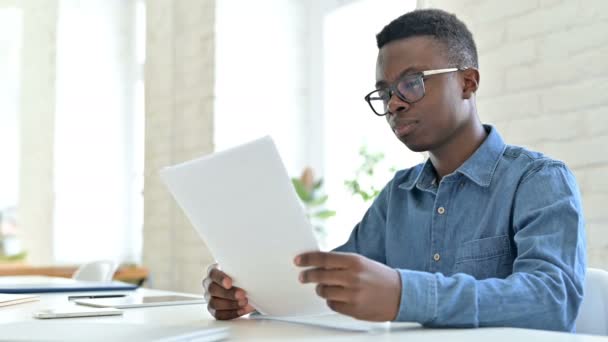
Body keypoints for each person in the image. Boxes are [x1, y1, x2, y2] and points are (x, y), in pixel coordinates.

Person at [202, 9, 586, 332]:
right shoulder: (398, 194)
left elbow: (553, 299)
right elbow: (327, 287)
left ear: (468, 83)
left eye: (412, 84)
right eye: (385, 92)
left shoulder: (537, 180)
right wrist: (247, 293)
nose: (394, 104)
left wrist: (406, 294)